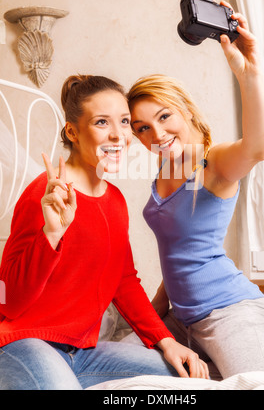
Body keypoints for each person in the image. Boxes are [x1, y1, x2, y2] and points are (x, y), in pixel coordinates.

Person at [0, 74, 209, 390]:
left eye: (124, 122)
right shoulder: (45, 194)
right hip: (23, 342)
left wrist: (165, 341)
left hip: (83, 352)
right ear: (73, 131)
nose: (118, 135)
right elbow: (9, 302)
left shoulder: (115, 202)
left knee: (183, 379)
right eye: (101, 123)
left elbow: (124, 281)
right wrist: (51, 235)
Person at [127, 2, 264, 379]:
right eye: (142, 128)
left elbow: (256, 148)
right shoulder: (164, 166)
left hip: (225, 310)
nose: (157, 134)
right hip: (180, 319)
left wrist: (251, 74)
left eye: (164, 116)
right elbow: (177, 249)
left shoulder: (212, 163)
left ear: (186, 109)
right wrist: (156, 309)